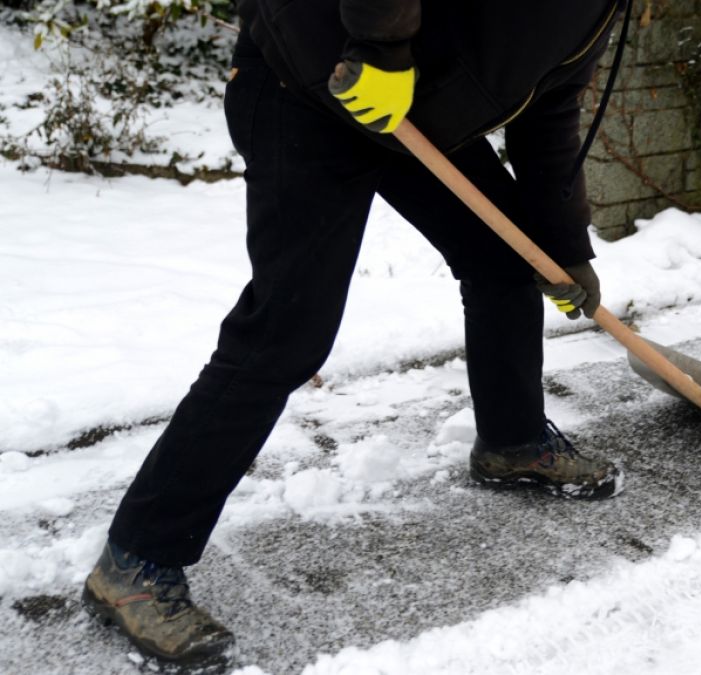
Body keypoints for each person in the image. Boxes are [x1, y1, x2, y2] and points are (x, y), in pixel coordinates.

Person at [80, 0, 630, 666]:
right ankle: (136, 559)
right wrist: (383, 46)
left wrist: (565, 245)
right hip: (311, 84)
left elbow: (549, 109)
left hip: (409, 117)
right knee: (287, 331)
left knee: (504, 258)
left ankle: (512, 441)